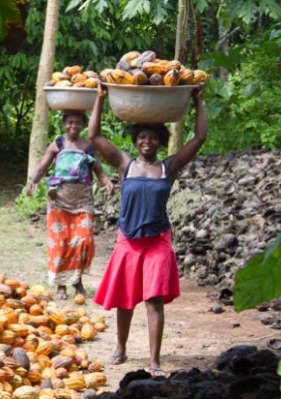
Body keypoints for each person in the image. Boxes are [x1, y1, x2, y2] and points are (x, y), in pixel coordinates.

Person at [89, 82, 207, 376]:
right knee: (125, 299)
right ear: (135, 140)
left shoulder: (169, 167)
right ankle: (121, 348)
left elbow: (200, 137)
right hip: (128, 240)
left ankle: (154, 360)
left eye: (153, 138)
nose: (147, 142)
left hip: (157, 242)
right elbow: (94, 135)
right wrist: (101, 98)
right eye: (142, 137)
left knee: (154, 301)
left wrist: (198, 102)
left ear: (160, 142)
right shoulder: (123, 163)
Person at [27, 110, 114, 300]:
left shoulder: (89, 146)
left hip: (83, 200)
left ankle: (77, 280)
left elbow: (98, 169)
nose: (73, 126)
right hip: (59, 199)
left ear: (83, 125)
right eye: (69, 122)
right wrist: (32, 182)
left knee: (83, 241)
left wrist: (106, 182)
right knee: (61, 243)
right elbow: (43, 166)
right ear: (64, 124)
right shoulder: (57, 144)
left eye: (77, 123)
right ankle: (61, 284)